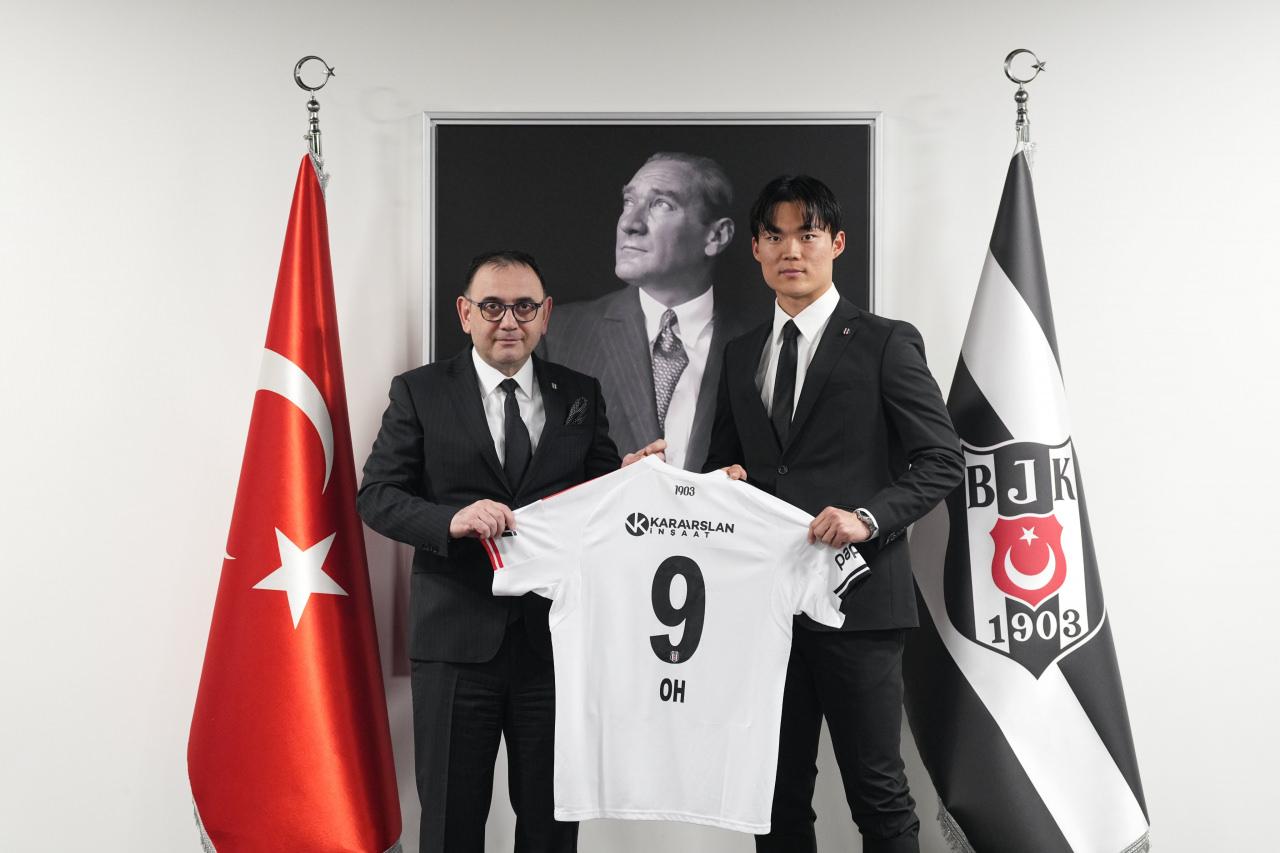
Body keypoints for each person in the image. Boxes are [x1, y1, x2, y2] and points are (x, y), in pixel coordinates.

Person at [357, 250, 661, 853]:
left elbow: (597, 501)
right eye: (492, 306)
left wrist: (630, 480)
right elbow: (377, 496)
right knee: (451, 824)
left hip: (553, 646)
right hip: (454, 643)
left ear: (545, 315)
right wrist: (451, 521)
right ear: (465, 313)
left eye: (524, 307)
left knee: (551, 826)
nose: (508, 321)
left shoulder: (580, 394)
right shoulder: (420, 392)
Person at [704, 176, 964, 853]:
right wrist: (716, 482)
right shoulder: (739, 354)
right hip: (766, 611)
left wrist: (867, 518)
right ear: (756, 249)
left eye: (808, 233)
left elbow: (942, 460)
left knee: (879, 795)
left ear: (837, 243)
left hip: (861, 605)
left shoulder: (885, 341)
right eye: (775, 236)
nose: (791, 250)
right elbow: (724, 466)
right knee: (774, 798)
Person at [541, 151, 752, 472]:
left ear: (717, 236)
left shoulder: (761, 347)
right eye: (628, 201)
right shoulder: (557, 336)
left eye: (661, 204)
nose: (629, 223)